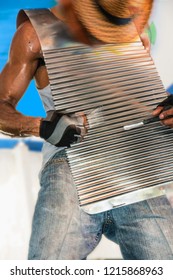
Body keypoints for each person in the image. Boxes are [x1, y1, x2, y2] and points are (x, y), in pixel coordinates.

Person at [0, 0, 173, 260]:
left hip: (132, 168)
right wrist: (41, 126)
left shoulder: (135, 31)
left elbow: (138, 102)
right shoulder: (35, 33)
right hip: (69, 164)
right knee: (49, 270)